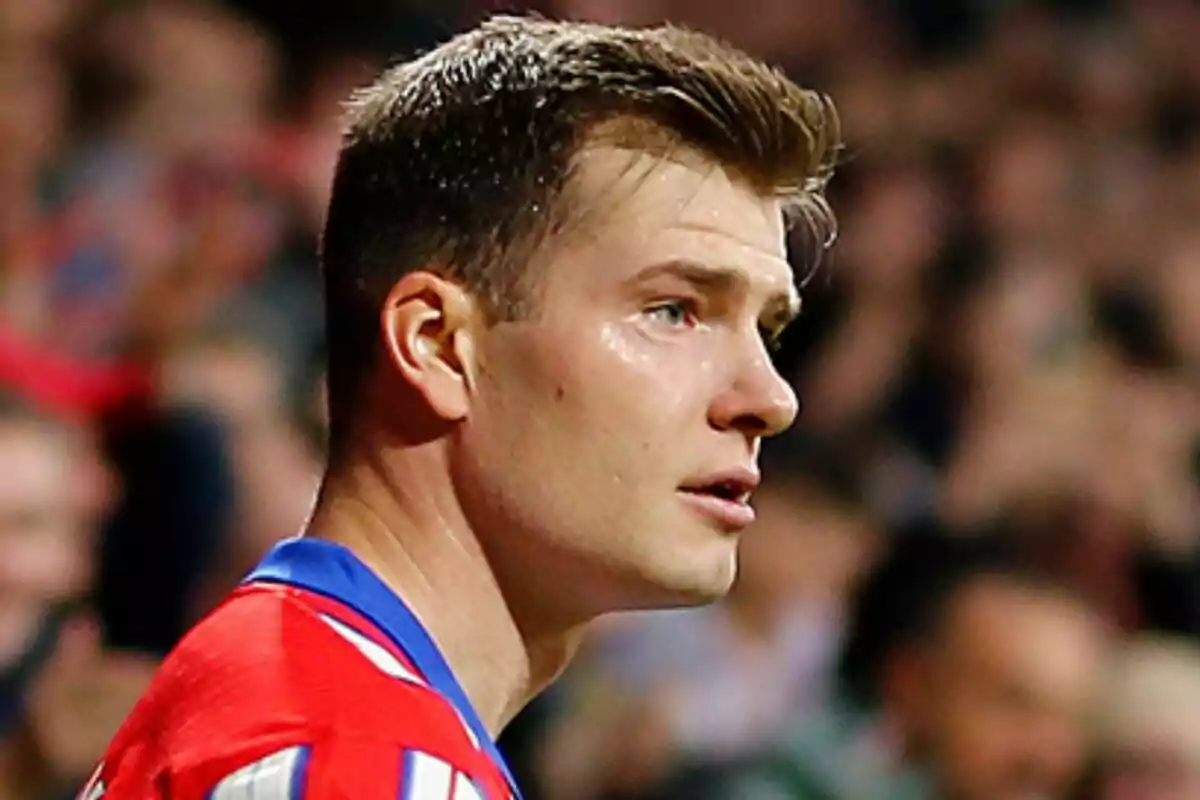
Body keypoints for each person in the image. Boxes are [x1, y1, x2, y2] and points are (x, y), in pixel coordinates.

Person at [84, 15, 841, 800]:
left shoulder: (288, 694)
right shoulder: (363, 763)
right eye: (674, 310)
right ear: (440, 344)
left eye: (766, 331)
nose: (771, 399)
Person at [726, 532, 1109, 800]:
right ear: (912, 685)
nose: (1051, 754)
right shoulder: (783, 785)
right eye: (1015, 704)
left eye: (1074, 718)